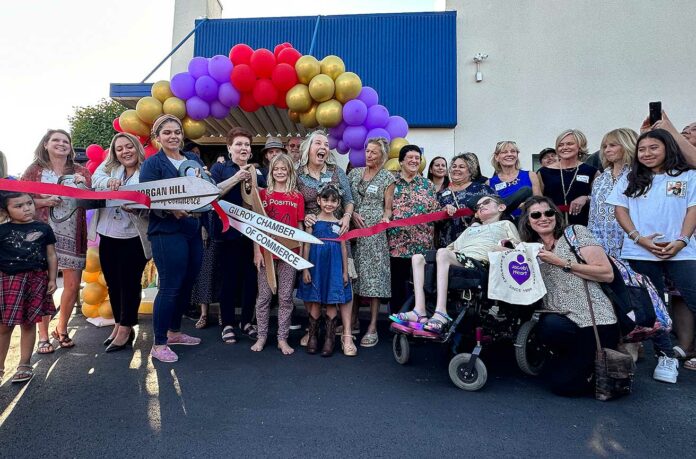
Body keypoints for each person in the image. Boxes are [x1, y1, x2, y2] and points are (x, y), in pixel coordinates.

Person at [607, 129, 695, 382]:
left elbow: (693, 210)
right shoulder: (630, 178)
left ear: (668, 148)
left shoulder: (688, 176)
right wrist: (639, 238)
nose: (647, 153)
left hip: (683, 251)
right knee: (652, 307)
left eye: (653, 148)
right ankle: (666, 356)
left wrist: (681, 240)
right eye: (642, 149)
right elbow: (621, 211)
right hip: (640, 250)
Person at [517, 196, 618, 396]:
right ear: (528, 221)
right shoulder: (530, 248)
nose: (543, 218)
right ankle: (570, 362)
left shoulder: (575, 233)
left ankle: (599, 370)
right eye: (536, 215)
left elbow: (607, 273)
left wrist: (562, 262)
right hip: (561, 319)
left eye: (548, 213)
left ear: (556, 214)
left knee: (564, 386)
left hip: (594, 319)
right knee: (549, 329)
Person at [392, 195, 519, 335]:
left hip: (480, 262)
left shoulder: (506, 224)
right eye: (478, 206)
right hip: (460, 258)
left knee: (442, 253)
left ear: (501, 207)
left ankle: (441, 313)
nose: (481, 206)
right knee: (417, 258)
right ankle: (419, 311)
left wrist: (504, 249)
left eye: (486, 202)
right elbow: (452, 248)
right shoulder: (471, 229)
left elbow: (518, 248)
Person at [139, 115, 204, 363]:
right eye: (167, 132)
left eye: (177, 132)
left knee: (188, 282)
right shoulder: (152, 164)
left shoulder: (193, 159)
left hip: (192, 229)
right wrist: (170, 209)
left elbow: (203, 188)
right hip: (166, 231)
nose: (173, 136)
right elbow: (147, 198)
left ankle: (175, 332)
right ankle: (159, 342)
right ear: (158, 137)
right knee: (169, 286)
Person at [21, 129, 91, 352]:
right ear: (45, 144)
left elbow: (91, 199)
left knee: (71, 285)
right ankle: (43, 336)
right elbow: (20, 199)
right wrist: (43, 202)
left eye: (65, 141)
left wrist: (83, 185)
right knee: (45, 285)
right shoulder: (35, 170)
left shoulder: (81, 170)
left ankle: (61, 328)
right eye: (56, 140)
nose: (61, 144)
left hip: (73, 233)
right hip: (43, 235)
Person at [89, 132, 151, 353]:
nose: (125, 151)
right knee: (113, 283)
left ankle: (126, 327)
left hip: (132, 236)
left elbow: (153, 201)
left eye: (129, 146)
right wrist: (108, 181)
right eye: (120, 148)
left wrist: (138, 206)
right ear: (115, 153)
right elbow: (95, 179)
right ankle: (118, 324)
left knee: (129, 284)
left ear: (137, 148)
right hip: (108, 233)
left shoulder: (147, 171)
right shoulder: (110, 169)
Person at [297, 130, 354, 351]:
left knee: (341, 284)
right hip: (311, 234)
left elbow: (348, 201)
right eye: (318, 142)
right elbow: (294, 202)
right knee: (313, 282)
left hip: (336, 231)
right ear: (308, 148)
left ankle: (346, 335)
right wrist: (304, 219)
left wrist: (347, 217)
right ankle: (312, 331)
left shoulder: (337, 172)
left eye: (326, 144)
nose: (323, 146)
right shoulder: (298, 173)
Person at [211, 127, 266, 344]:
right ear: (229, 148)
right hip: (227, 234)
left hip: (252, 237)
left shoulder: (258, 172)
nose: (243, 148)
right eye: (239, 144)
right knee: (229, 280)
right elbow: (212, 193)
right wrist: (236, 177)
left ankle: (246, 321)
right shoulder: (220, 168)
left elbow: (265, 199)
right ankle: (227, 324)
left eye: (246, 145)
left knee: (250, 280)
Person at [0, 192, 57, 383]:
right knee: (3, 327)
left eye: (29, 203)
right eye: (18, 206)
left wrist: (52, 279)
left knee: (29, 323)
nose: (26, 208)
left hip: (35, 280)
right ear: (6, 211)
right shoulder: (2, 230)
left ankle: (24, 364)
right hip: (8, 281)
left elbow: (51, 255)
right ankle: (0, 368)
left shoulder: (43, 228)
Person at [251, 154, 304, 355]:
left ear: (290, 171)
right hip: (266, 254)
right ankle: (262, 336)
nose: (280, 172)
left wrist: (300, 253)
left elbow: (299, 225)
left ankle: (282, 338)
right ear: (271, 172)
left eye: (284, 169)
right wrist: (257, 251)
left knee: (285, 298)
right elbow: (255, 227)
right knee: (263, 297)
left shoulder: (296, 196)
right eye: (276, 169)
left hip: (289, 253)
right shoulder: (264, 195)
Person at [348, 137, 395, 350]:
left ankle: (373, 326)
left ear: (382, 156)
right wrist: (353, 214)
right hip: (353, 230)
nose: (369, 155)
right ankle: (353, 321)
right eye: (367, 151)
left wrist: (385, 219)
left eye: (374, 152)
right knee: (354, 277)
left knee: (374, 280)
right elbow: (345, 200)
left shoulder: (387, 177)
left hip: (374, 234)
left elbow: (388, 208)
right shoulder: (354, 173)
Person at [388, 145, 440, 314]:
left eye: (417, 158)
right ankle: (396, 320)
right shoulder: (390, 183)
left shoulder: (428, 185)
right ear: (401, 161)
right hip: (397, 245)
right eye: (410, 157)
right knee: (397, 286)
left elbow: (435, 210)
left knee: (419, 286)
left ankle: (417, 317)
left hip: (421, 245)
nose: (414, 161)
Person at [587, 128, 637, 259]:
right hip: (604, 249)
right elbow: (594, 217)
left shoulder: (640, 176)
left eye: (613, 145)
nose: (607, 150)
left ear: (627, 145)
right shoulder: (600, 179)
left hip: (635, 246)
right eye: (604, 146)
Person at [537, 129, 598, 226]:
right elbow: (537, 201)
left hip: (584, 223)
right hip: (552, 224)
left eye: (569, 144)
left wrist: (586, 198)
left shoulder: (591, 171)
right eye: (560, 145)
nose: (564, 147)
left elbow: (600, 199)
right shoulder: (543, 172)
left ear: (579, 146)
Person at [436, 153, 494, 248]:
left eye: (461, 167)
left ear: (470, 171)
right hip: (448, 247)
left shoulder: (482, 189)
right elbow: (435, 222)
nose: (456, 169)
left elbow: (496, 212)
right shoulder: (441, 194)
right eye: (454, 166)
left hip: (477, 244)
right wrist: (443, 212)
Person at [487, 141, 541, 217]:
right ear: (497, 157)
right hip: (503, 223)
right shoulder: (489, 183)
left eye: (513, 151)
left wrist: (527, 205)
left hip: (527, 222)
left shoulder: (530, 175)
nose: (509, 154)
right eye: (504, 152)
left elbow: (540, 202)